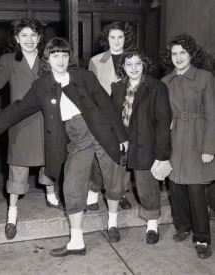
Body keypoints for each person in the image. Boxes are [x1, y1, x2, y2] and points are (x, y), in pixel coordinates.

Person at [0, 37, 128, 256]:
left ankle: (112, 223)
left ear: (69, 58)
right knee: (72, 186)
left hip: (102, 131)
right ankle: (77, 242)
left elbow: (107, 105)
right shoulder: (41, 86)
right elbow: (17, 109)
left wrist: (122, 136)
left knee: (112, 177)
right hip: (76, 138)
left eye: (65, 55)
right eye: (55, 55)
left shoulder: (85, 77)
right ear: (47, 58)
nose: (61, 60)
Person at [0, 18, 63, 241]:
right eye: (24, 36)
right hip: (20, 121)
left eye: (33, 35)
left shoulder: (48, 60)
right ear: (16, 39)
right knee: (18, 166)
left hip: (47, 119)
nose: (29, 40)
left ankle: (51, 195)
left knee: (49, 159)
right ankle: (12, 213)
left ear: (40, 39)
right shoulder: (9, 60)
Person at [161, 34, 215, 259]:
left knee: (195, 189)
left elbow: (212, 114)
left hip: (197, 136)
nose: (178, 57)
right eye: (174, 53)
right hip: (175, 138)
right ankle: (182, 226)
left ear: (191, 54)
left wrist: (209, 148)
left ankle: (202, 237)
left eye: (183, 52)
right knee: (176, 187)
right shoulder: (165, 82)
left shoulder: (205, 77)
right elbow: (162, 117)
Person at [112, 49, 172, 244]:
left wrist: (161, 154)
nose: (134, 68)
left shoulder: (156, 87)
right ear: (123, 67)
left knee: (147, 187)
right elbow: (114, 117)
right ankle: (112, 222)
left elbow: (163, 123)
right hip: (124, 142)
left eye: (138, 63)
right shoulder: (118, 87)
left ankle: (152, 226)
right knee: (114, 182)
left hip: (146, 143)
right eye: (129, 65)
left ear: (144, 64)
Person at [87, 22, 136, 211]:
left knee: (124, 153)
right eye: (112, 37)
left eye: (120, 37)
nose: (116, 41)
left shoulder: (134, 59)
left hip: (127, 112)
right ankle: (93, 190)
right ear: (107, 39)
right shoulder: (96, 60)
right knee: (101, 153)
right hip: (104, 113)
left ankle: (122, 192)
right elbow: (90, 90)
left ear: (126, 38)